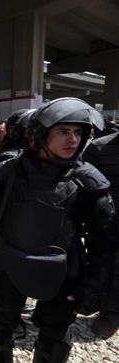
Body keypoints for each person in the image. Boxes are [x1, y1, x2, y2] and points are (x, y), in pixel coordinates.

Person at [0, 98, 116, 363]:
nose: (72, 139)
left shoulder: (88, 181)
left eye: (77, 132)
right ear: (39, 134)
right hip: (11, 261)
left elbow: (103, 243)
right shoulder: (8, 173)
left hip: (64, 270)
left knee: (55, 334)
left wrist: (92, 286)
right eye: (62, 131)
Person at [83, 131, 119, 338]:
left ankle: (111, 315)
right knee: (101, 264)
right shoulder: (98, 148)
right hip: (104, 223)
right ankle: (92, 302)